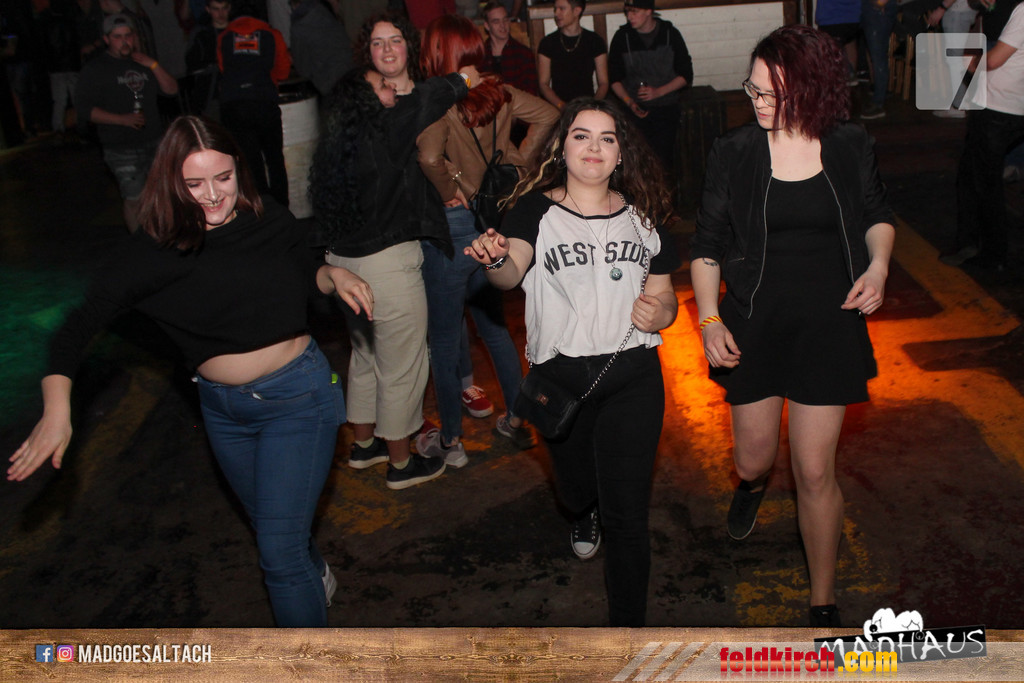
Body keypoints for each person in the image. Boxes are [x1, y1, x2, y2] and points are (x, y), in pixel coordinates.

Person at [7, 115, 375, 627]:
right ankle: (313, 571)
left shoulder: (265, 215)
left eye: (223, 177)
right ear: (170, 182)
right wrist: (56, 410)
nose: (213, 195)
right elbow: (75, 327)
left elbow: (303, 270)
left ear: (238, 170)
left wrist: (332, 274)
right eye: (194, 184)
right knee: (273, 526)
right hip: (223, 412)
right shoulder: (151, 253)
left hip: (297, 398)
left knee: (278, 556)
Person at [690, 25, 895, 627]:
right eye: (751, 89)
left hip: (829, 324)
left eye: (770, 94)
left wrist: (879, 266)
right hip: (755, 321)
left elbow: (877, 214)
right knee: (753, 460)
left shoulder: (850, 143)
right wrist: (708, 319)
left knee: (813, 470)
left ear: (811, 88)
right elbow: (707, 245)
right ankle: (752, 486)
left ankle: (822, 603)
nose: (757, 103)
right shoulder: (734, 151)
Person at [464, 99, 679, 626]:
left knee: (628, 516)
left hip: (632, 377)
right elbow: (509, 273)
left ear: (621, 154)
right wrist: (495, 258)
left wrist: (661, 313)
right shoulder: (534, 212)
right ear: (562, 147)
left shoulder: (643, 216)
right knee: (576, 489)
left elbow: (666, 296)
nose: (594, 147)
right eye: (582, 135)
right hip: (560, 382)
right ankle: (584, 511)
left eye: (608, 138)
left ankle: (627, 635)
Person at [310, 63, 480, 488]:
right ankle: (402, 465)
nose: (392, 91)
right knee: (403, 367)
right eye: (382, 87)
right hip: (386, 267)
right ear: (364, 102)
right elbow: (424, 100)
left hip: (344, 264)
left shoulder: (338, 143)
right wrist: (463, 79)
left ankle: (365, 445)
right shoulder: (386, 129)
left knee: (366, 356)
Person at [417, 13, 559, 462]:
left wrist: (452, 189)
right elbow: (551, 115)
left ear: (436, 54)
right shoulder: (500, 90)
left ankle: (451, 440)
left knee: (443, 340)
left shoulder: (439, 101)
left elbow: (428, 157)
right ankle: (517, 420)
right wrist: (517, 160)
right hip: (494, 221)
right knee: (494, 327)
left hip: (456, 226)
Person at [354, 11, 501, 421]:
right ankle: (408, 412)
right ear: (368, 52)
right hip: (391, 230)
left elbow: (454, 150)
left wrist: (452, 187)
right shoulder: (367, 100)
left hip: (436, 221)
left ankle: (463, 384)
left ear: (409, 47)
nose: (387, 50)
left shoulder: (432, 92)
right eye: (377, 43)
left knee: (448, 312)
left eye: (395, 40)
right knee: (405, 329)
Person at [74, 13, 178, 232]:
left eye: (128, 35)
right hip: (121, 146)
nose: (124, 41)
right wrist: (122, 120)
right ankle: (140, 242)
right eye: (117, 37)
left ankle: (165, 236)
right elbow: (85, 110)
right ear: (106, 39)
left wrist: (153, 65)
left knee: (163, 195)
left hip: (154, 140)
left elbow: (171, 90)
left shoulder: (143, 62)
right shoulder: (95, 69)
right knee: (134, 198)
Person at [945, 0, 1024, 270]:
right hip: (1006, 103)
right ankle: (971, 243)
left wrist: (970, 62)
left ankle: (992, 253)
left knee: (983, 184)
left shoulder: (1022, 11)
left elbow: (994, 59)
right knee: (971, 178)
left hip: (999, 106)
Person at [608, 0, 692, 171]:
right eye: (627, 12)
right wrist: (629, 102)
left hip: (666, 108)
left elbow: (686, 75)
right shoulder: (622, 37)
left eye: (634, 11)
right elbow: (614, 79)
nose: (629, 16)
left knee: (663, 161)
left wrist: (658, 92)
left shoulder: (669, 34)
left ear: (648, 11)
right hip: (633, 110)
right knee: (635, 162)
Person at [217, 12, 291, 206]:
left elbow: (224, 69)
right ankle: (282, 210)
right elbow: (284, 70)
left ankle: (262, 211)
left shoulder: (225, 36)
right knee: (275, 160)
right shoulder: (272, 35)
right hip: (263, 102)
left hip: (233, 105)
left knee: (250, 164)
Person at [537, 0, 609, 109]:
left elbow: (604, 83)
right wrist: (562, 106)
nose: (556, 13)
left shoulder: (594, 41)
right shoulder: (547, 43)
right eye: (555, 9)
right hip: (558, 106)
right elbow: (543, 84)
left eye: (562, 9)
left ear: (576, 11)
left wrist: (593, 106)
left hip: (588, 104)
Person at [481, 1, 538, 96]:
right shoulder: (480, 55)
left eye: (505, 20)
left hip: (518, 104)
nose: (502, 25)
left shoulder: (524, 54)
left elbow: (531, 92)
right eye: (496, 21)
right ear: (487, 26)